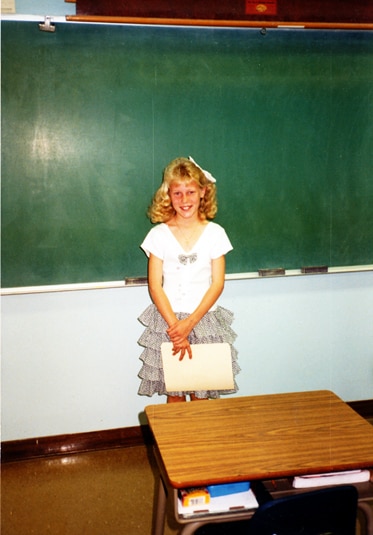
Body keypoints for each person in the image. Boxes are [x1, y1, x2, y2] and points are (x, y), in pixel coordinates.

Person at [137, 156, 239, 403]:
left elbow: (217, 284)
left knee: (201, 394)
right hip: (168, 323)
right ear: (168, 195)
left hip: (204, 321)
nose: (185, 200)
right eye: (178, 193)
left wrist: (189, 324)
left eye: (191, 192)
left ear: (203, 192)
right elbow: (155, 285)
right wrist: (176, 328)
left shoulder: (216, 234)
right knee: (175, 394)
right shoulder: (158, 235)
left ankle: (202, 443)